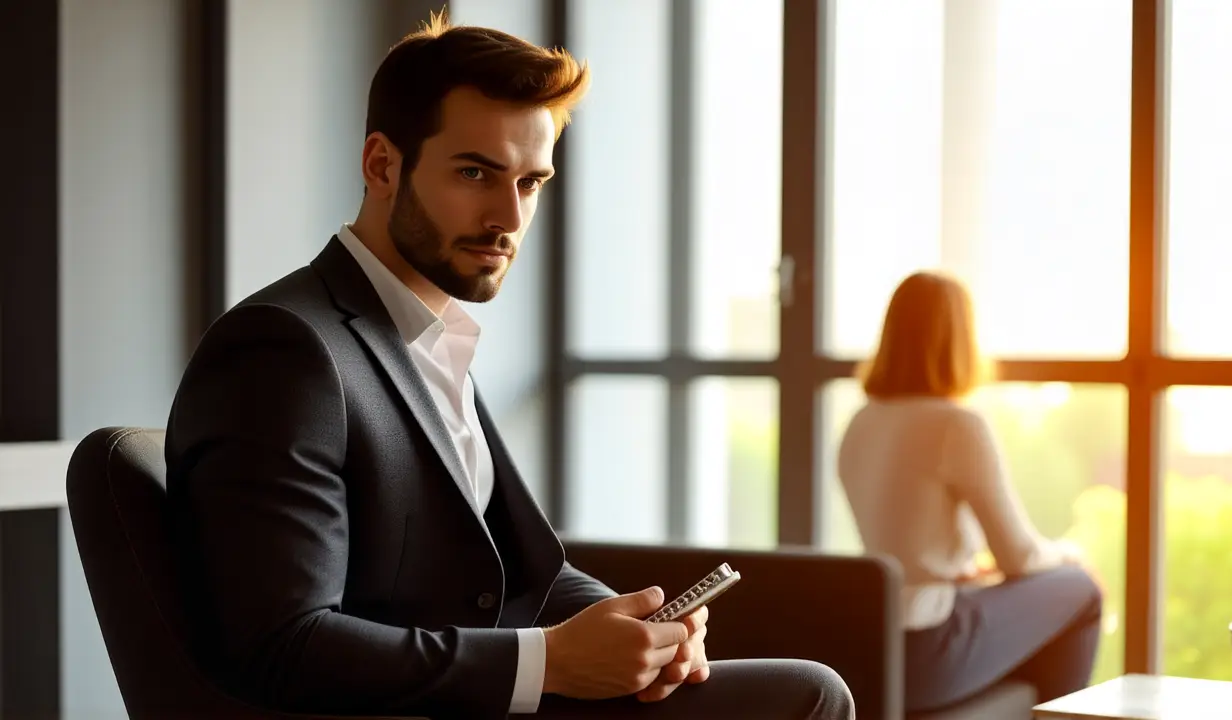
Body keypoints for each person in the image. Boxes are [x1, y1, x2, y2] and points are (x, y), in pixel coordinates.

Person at [165, 13, 854, 720]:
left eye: (530, 182)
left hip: (479, 696)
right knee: (808, 695)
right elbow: (280, 645)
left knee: (805, 688)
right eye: (475, 173)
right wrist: (551, 661)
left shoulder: (429, 341)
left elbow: (525, 575)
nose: (508, 217)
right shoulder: (283, 351)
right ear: (381, 166)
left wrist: (638, 632)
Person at [834, 271, 1102, 713]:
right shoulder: (956, 424)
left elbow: (904, 543)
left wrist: (953, 567)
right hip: (927, 649)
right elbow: (1020, 557)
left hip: (871, 644)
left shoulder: (861, 422)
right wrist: (1069, 554)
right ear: (960, 340)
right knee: (1080, 589)